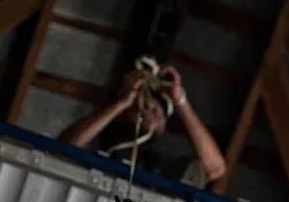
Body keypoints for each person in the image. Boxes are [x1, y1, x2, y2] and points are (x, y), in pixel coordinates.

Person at [59, 63, 226, 187]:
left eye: (157, 111)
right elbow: (64, 147)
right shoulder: (101, 148)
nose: (150, 112)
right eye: (144, 108)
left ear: (163, 127)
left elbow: (215, 168)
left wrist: (180, 101)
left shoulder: (166, 167)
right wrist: (122, 102)